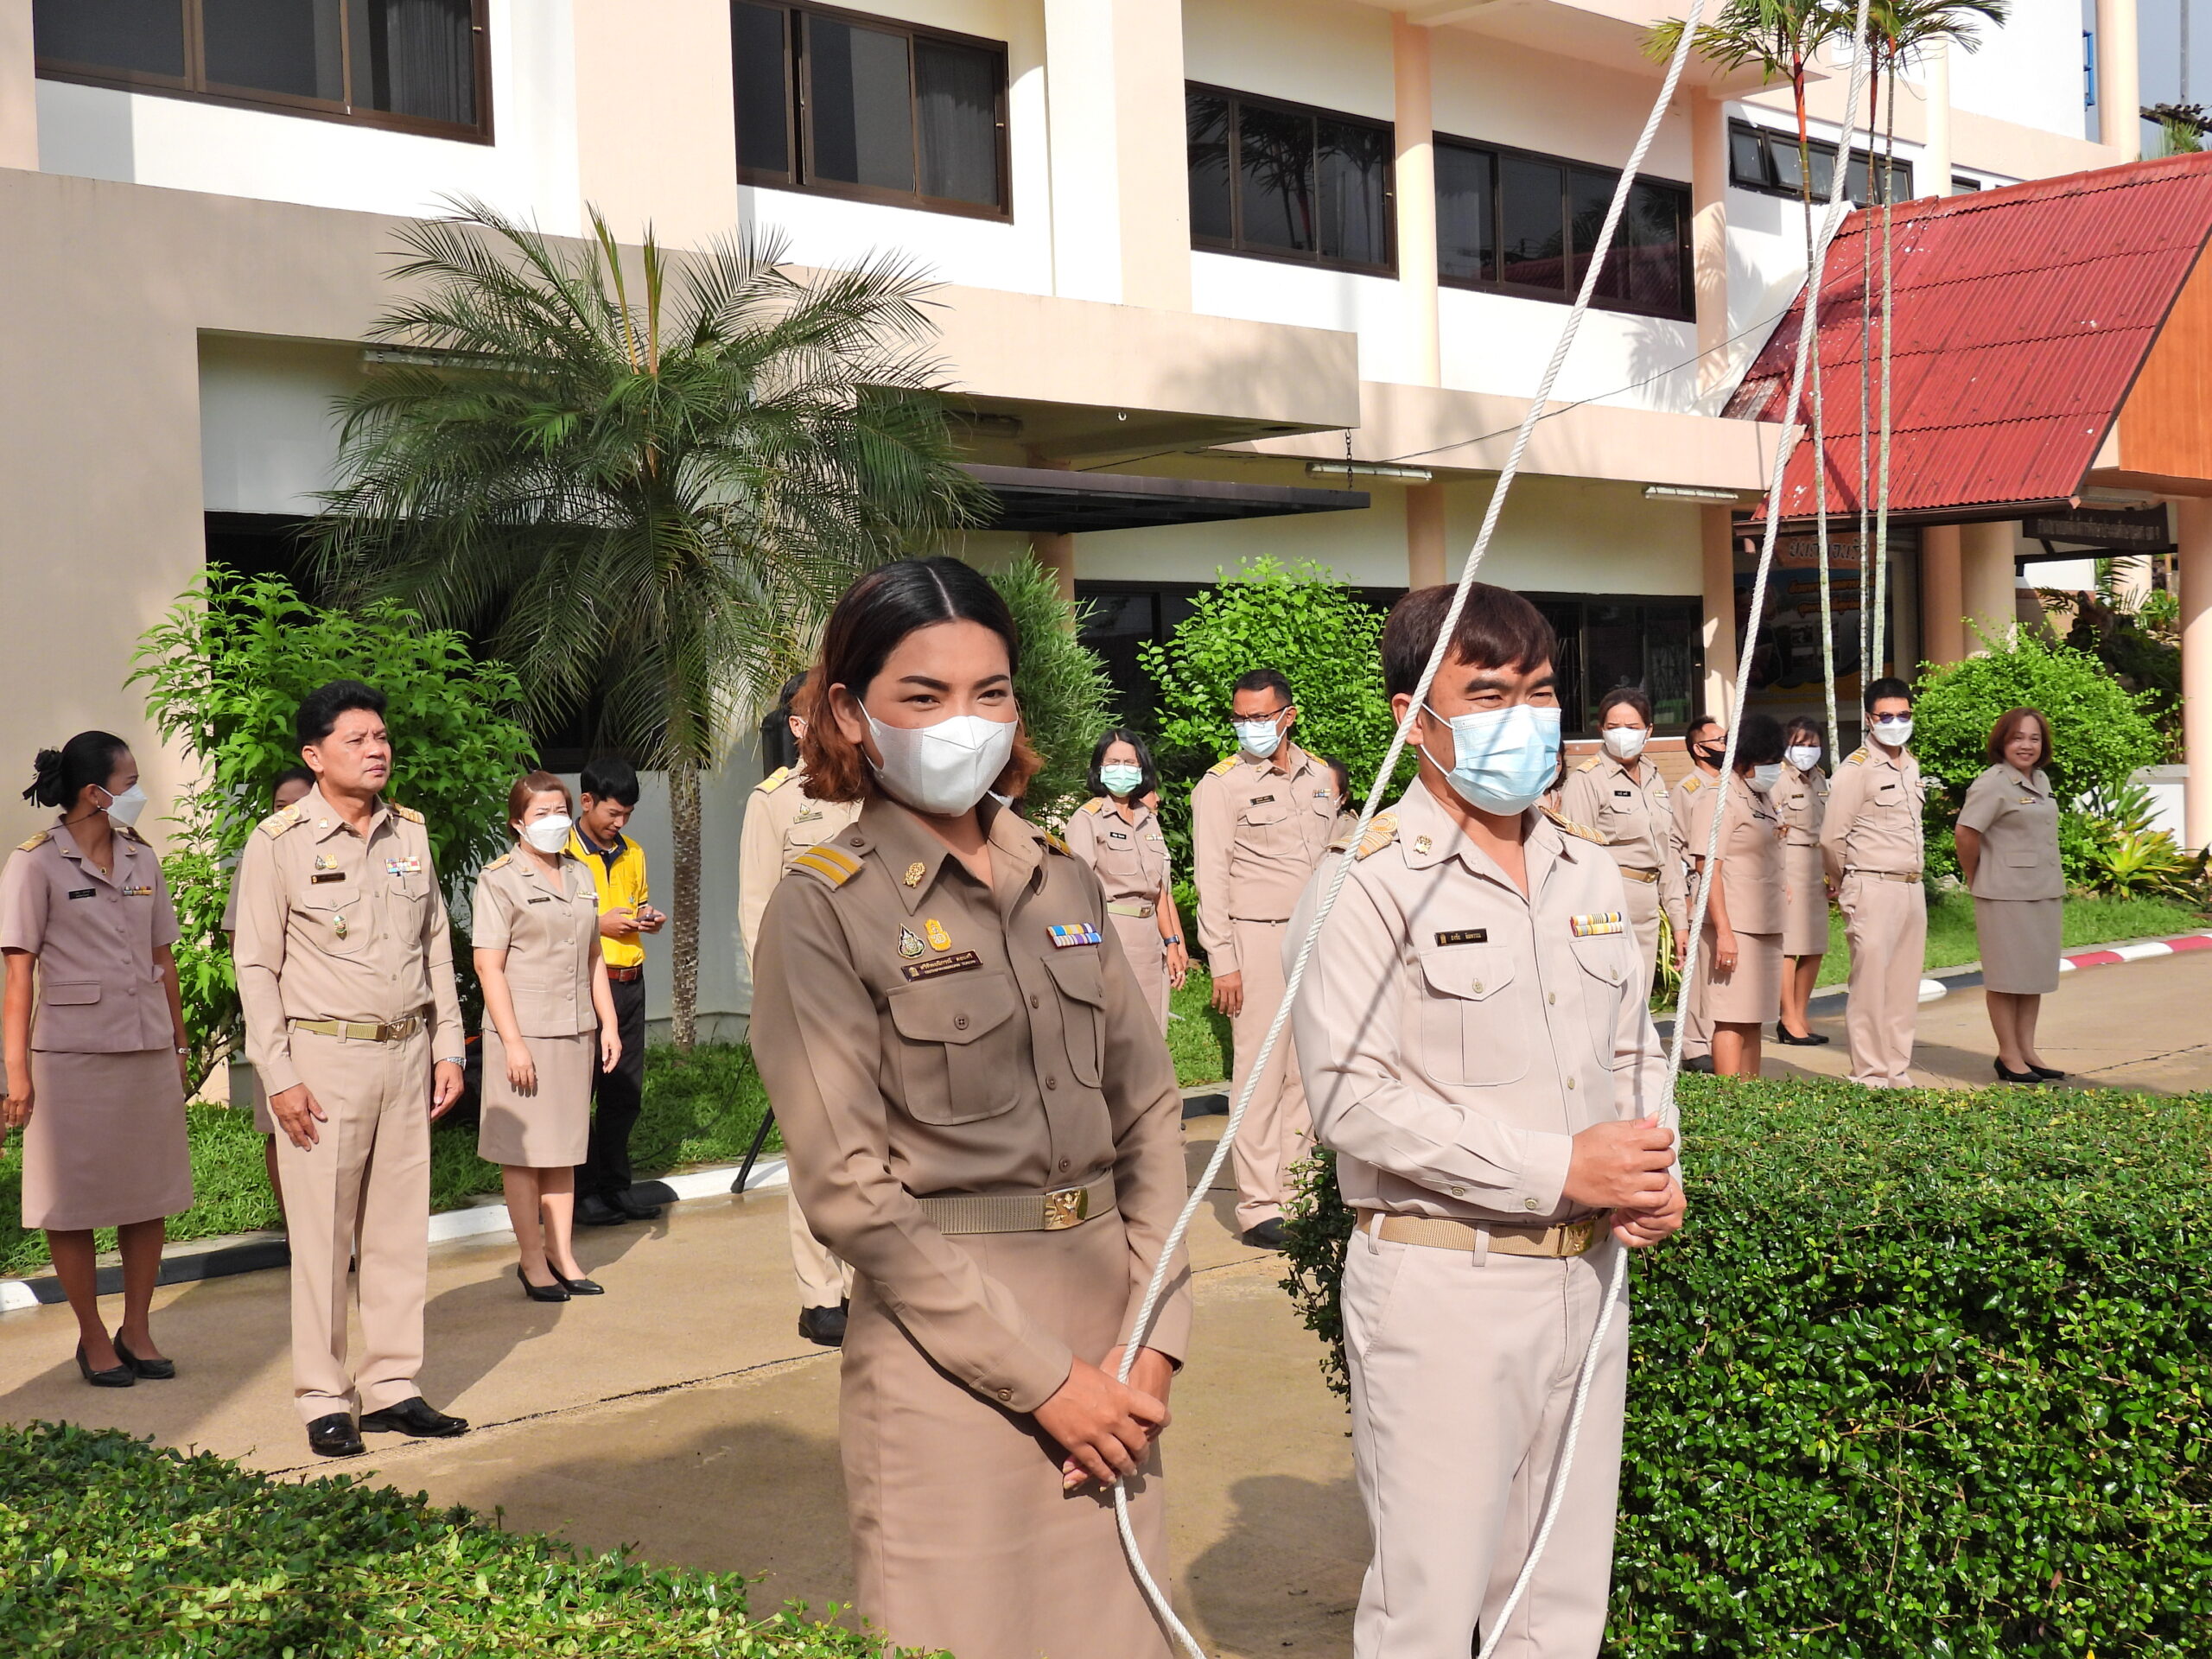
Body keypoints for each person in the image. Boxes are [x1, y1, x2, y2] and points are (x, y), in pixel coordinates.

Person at [749, 557, 1191, 1659]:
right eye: (924, 694)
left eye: (989, 692)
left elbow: (1148, 1112)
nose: (964, 721)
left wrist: (1154, 1342)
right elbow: (849, 1192)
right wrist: (1046, 1383)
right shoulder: (823, 909)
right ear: (847, 712)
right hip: (950, 1367)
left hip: (1114, 1337)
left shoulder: (1064, 877)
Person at [1290, 582, 1682, 1659]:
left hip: (1586, 1278)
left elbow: (1630, 1050)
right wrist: (1559, 1168)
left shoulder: (1585, 866)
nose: (1525, 716)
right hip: (1442, 1285)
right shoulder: (1363, 883)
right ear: (1414, 718)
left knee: (1557, 1606)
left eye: (1540, 690)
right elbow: (1352, 1098)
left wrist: (1654, 1169)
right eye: (1489, 693)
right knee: (1427, 1609)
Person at [232, 680, 471, 1458]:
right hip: (324, 1060)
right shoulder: (278, 842)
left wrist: (449, 1044)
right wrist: (278, 1076)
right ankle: (324, 1397)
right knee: (324, 1240)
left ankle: (394, 1385)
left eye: (381, 737)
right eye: (357, 740)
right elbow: (255, 966)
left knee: (398, 1232)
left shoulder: (410, 832)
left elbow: (435, 944)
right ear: (315, 755)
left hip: (406, 1052)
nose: (377, 751)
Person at [2, 733, 194, 1388]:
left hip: (145, 1046)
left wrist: (179, 1043)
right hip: (71, 1057)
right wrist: (16, 1073)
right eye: (130, 781)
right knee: (72, 1200)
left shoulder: (142, 855)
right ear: (94, 793)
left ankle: (136, 1327)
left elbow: (163, 959)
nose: (139, 792)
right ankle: (90, 1334)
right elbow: (18, 978)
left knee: (148, 1192)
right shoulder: (34, 863)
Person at [1190, 667, 1338, 1249]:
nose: (1248, 726)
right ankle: (1257, 1205)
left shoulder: (1319, 775)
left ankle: (1299, 1195)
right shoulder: (1221, 785)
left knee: (1305, 1071)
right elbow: (1211, 877)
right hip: (1256, 940)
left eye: (1260, 716)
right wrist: (1222, 959)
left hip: (1316, 938)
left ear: (1288, 716)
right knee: (1260, 1074)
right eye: (1241, 717)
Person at [739, 673, 861, 1346]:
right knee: (814, 1144)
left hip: (875, 995)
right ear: (797, 726)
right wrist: (776, 999)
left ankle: (871, 1281)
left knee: (875, 1145)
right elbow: (757, 908)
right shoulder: (774, 803)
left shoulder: (873, 792)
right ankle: (821, 1296)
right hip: (805, 998)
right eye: (824, 714)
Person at [474, 772, 621, 1300]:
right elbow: (488, 967)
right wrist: (513, 1043)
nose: (554, 821)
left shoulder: (580, 873)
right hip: (525, 1033)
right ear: (518, 822)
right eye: (542, 814)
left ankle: (563, 1253)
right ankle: (532, 1259)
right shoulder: (499, 880)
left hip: (574, 1029)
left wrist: (608, 1022)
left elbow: (594, 956)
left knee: (564, 1148)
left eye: (561, 811)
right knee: (524, 1153)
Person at [568, 757, 666, 1228]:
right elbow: (545, 919)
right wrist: (597, 924)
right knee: (579, 1090)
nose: (620, 823)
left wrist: (648, 918)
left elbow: (637, 904)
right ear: (586, 801)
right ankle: (582, 1191)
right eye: (612, 813)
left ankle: (615, 1186)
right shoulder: (561, 851)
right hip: (584, 983)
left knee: (623, 1091)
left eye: (627, 814)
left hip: (630, 982)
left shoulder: (634, 853)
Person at [1820, 677, 1927, 1089]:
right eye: (1886, 716)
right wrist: (1845, 881)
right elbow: (1832, 838)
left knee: (1903, 985)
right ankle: (1869, 1074)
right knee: (1869, 986)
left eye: (1903, 715)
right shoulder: (1857, 768)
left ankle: (1896, 1069)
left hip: (1911, 885)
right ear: (1869, 719)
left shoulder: (1910, 764)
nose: (1896, 723)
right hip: (1871, 884)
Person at [222, 765, 315, 1230]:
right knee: (285, 1130)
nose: (290, 813)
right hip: (280, 1020)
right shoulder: (263, 852)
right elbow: (241, 943)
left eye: (299, 803)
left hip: (337, 1021)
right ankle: (298, 1235)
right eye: (281, 806)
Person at [1560, 688, 1688, 1012]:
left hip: (1648, 904)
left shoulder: (1654, 778)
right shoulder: (1588, 780)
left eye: (1632, 727)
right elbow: (1575, 856)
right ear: (1601, 729)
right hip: (1608, 903)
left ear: (1648, 730)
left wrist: (1679, 921)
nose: (1622, 735)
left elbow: (1667, 855)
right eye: (1613, 727)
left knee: (1639, 1000)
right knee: (1610, 1002)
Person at [1956, 708, 2065, 1084]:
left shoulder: (2040, 779)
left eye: (2034, 738)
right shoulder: (1993, 783)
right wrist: (1975, 875)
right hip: (2004, 893)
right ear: (2002, 741)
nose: (2026, 745)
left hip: (2043, 890)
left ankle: (2027, 1050)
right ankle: (2008, 1054)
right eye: (2018, 737)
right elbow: (1966, 833)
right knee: (2006, 978)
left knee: (2032, 977)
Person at [1681, 715, 1787, 1080]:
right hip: (1735, 925)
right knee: (1730, 1018)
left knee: (1753, 1018)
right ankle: (1729, 1100)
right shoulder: (1719, 797)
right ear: (1743, 759)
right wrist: (1724, 933)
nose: (1772, 769)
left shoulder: (1762, 795)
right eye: (1766, 761)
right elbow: (1708, 867)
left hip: (1765, 923)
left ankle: (1750, 1095)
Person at [1062, 729, 1188, 1031]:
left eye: (1130, 762)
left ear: (1142, 767)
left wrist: (1172, 942)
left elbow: (1159, 890)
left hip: (1151, 939)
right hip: (1112, 935)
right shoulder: (1088, 819)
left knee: (1153, 1029)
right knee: (1118, 1031)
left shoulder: (1148, 818)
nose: (1122, 769)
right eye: (1113, 762)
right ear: (1099, 767)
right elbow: (1077, 892)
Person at [1669, 715, 1728, 1072]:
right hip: (1697, 885)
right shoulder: (1688, 789)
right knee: (1699, 969)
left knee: (1718, 969)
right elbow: (1675, 846)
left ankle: (1715, 1038)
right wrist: (1685, 898)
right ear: (1699, 749)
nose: (1725, 746)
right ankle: (1694, 1047)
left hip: (1725, 885)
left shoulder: (1729, 784)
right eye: (1718, 741)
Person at [1771, 718, 1831, 1046]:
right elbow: (1771, 831)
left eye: (1812, 745)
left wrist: (1834, 872)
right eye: (1799, 745)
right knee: (1790, 946)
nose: (1807, 751)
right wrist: (1780, 877)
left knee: (1815, 945)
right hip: (1790, 860)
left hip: (1816, 862)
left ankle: (1802, 1013)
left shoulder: (1821, 779)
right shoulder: (1778, 779)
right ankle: (1788, 1017)